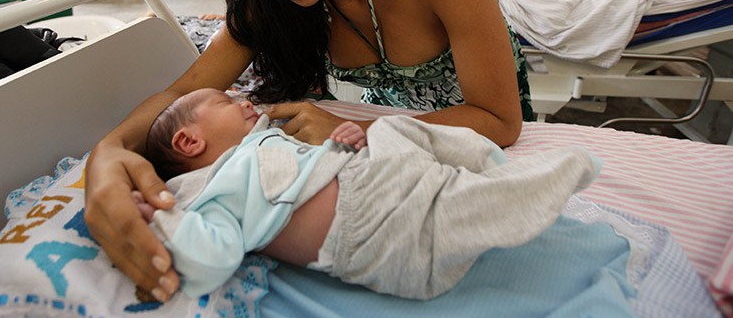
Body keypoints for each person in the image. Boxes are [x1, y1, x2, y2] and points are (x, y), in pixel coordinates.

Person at [84, 0, 534, 301]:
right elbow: (180, 94)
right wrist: (107, 155)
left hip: (476, 124)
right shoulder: (272, 1)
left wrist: (359, 129)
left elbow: (499, 120)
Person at [140, 88, 598, 300]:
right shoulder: (209, 194)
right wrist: (163, 219)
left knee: (395, 128)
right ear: (188, 142)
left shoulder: (257, 146)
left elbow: (299, 176)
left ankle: (490, 169)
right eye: (225, 102)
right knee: (445, 204)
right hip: (372, 232)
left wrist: (341, 145)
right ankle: (519, 193)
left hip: (368, 187)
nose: (244, 101)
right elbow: (207, 264)